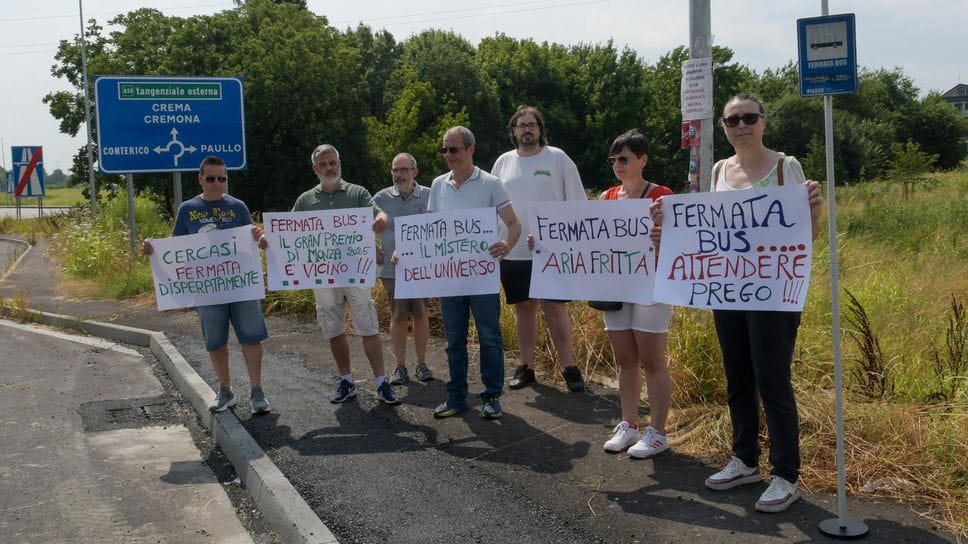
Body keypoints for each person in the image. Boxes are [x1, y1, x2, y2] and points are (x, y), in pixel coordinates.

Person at [651, 94, 823, 513]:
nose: (741, 124)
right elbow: (710, 230)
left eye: (749, 117)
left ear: (763, 122)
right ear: (723, 127)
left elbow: (806, 235)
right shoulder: (717, 170)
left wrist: (812, 211)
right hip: (727, 291)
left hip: (772, 295)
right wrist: (668, 234)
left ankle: (785, 474)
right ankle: (745, 459)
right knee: (738, 378)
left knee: (773, 381)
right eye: (732, 119)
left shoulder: (786, 166)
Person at [142, 155, 270, 415]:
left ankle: (257, 392)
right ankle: (225, 391)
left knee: (252, 337)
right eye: (210, 178)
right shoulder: (187, 210)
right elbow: (176, 248)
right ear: (200, 179)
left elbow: (252, 242)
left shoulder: (238, 207)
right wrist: (153, 249)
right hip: (207, 290)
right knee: (215, 341)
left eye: (221, 178)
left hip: (240, 285)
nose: (216, 183)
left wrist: (260, 237)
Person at [425, 126, 521, 419]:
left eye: (454, 149)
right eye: (444, 150)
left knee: (489, 336)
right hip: (450, 278)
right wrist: (409, 254)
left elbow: (514, 224)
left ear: (470, 150)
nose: (448, 155)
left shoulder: (491, 183)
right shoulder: (438, 185)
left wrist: (507, 243)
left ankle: (492, 397)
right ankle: (456, 397)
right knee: (454, 340)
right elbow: (429, 231)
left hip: (482, 276)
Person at [292, 144, 398, 405]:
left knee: (368, 327)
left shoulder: (357, 193)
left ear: (339, 163)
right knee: (333, 328)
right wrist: (266, 240)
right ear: (315, 168)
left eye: (333, 163)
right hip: (322, 275)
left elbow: (378, 213)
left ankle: (381, 382)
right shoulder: (305, 200)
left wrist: (382, 219)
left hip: (355, 272)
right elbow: (290, 233)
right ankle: (346, 380)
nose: (329, 168)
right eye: (323, 164)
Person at [491, 106, 587, 393]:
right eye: (521, 125)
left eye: (532, 124)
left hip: (551, 252)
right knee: (524, 309)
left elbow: (578, 204)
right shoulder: (503, 163)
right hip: (513, 250)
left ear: (540, 129)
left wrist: (568, 242)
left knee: (555, 308)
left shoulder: (558, 158)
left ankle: (569, 367)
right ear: (513, 131)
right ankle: (527, 367)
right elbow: (491, 204)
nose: (527, 129)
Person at [594, 129, 676, 460]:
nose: (618, 165)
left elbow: (679, 241)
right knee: (625, 358)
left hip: (652, 284)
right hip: (617, 286)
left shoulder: (661, 196)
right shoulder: (607, 198)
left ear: (643, 159)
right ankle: (628, 424)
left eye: (625, 158)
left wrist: (663, 236)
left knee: (652, 358)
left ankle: (658, 432)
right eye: (614, 159)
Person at [373, 153, 433, 385]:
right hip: (391, 269)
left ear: (414, 172)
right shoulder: (380, 198)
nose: (399, 175)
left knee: (420, 314)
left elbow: (439, 227)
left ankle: (421, 363)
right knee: (398, 317)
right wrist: (371, 248)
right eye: (395, 170)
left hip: (421, 268)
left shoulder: (430, 196)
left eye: (404, 170)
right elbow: (361, 226)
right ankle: (400, 366)